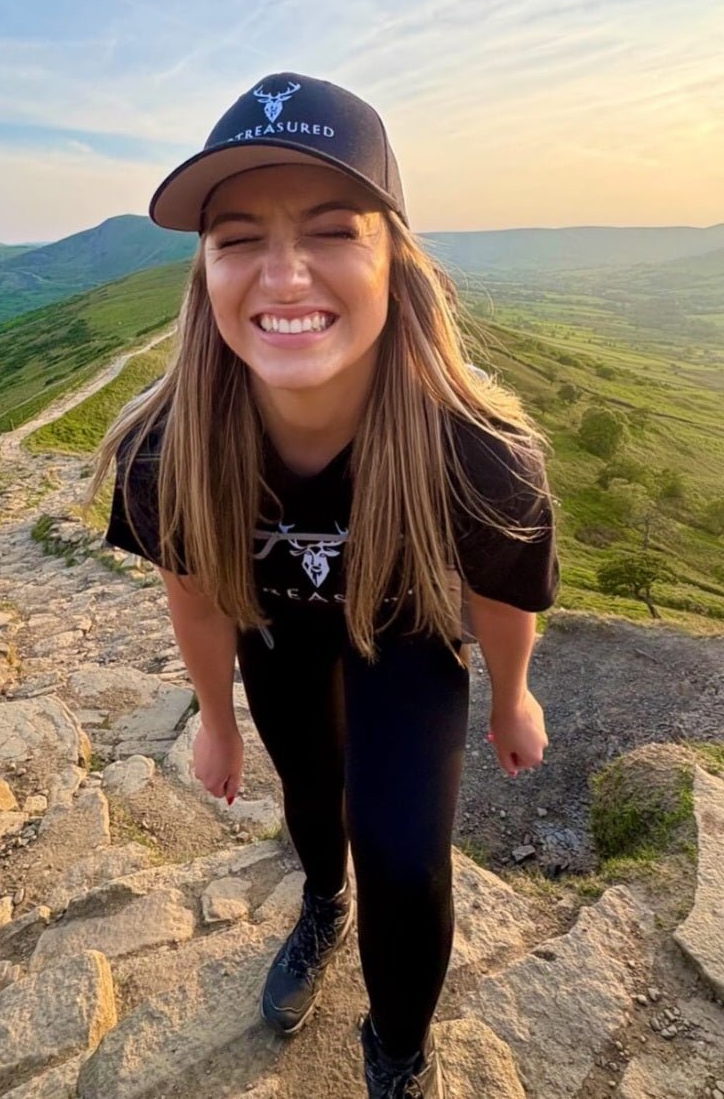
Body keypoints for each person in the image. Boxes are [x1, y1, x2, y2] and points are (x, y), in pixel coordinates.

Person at [89, 72, 559, 1098]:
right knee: (312, 798)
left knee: (404, 852)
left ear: (395, 256)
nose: (283, 274)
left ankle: (397, 1049)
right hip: (277, 639)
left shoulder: (478, 457)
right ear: (204, 273)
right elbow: (198, 593)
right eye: (238, 237)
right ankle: (320, 905)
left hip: (408, 632)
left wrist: (513, 695)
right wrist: (214, 719)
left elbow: (499, 596)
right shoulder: (166, 454)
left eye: (333, 229)